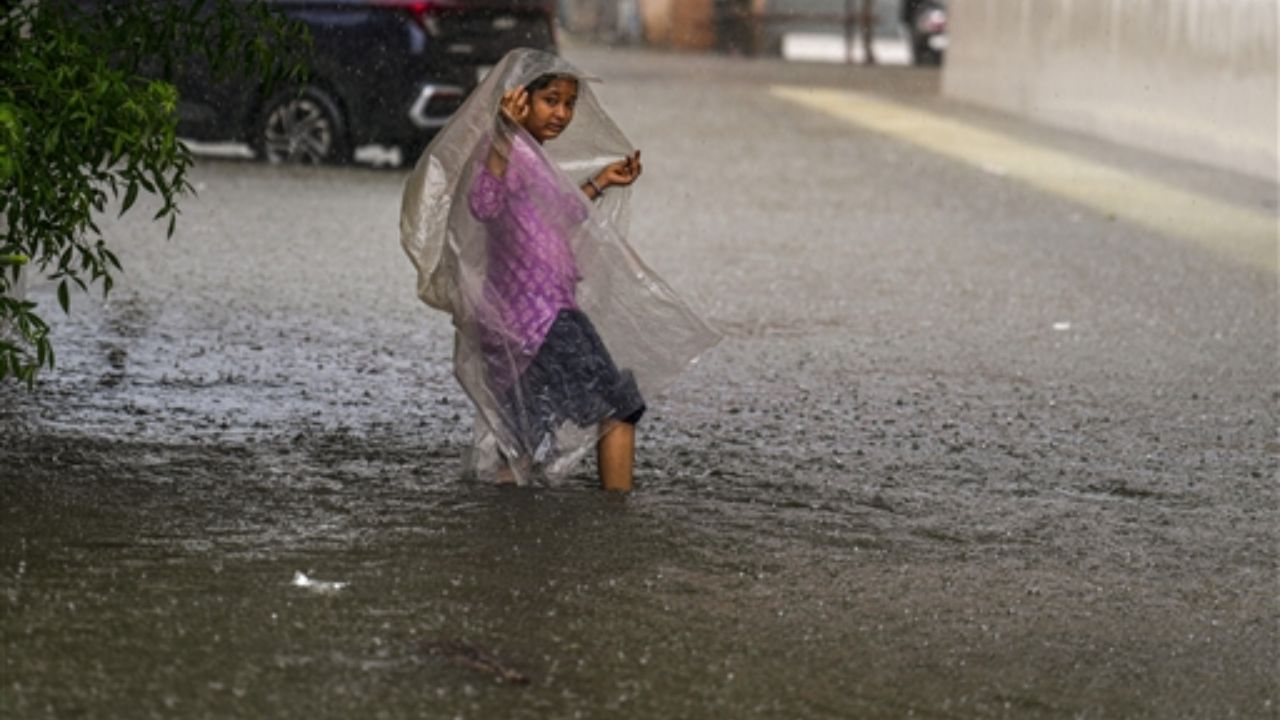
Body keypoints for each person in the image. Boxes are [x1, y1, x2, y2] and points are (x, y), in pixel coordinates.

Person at [400, 49, 718, 492]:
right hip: (541, 319)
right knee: (620, 406)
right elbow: (484, 204)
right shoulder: (505, 150)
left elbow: (553, 219)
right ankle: (616, 523)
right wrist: (502, 136)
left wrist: (602, 182)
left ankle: (505, 538)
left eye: (569, 103)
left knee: (523, 442)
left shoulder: (532, 156)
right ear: (519, 100)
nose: (562, 113)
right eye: (551, 100)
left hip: (514, 322)